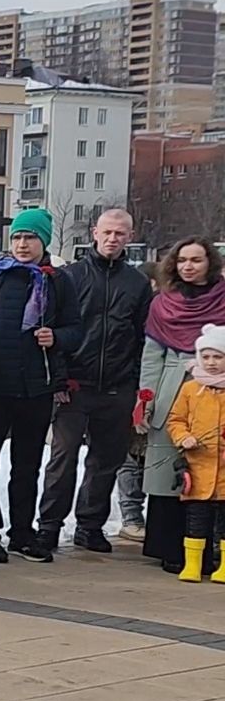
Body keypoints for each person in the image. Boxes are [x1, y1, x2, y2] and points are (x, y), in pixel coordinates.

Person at [0, 208, 83, 563]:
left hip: (36, 388)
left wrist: (57, 337)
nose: (22, 244)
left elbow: (76, 330)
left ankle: (21, 532)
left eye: (30, 237)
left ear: (43, 242)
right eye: (17, 237)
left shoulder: (58, 281)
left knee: (27, 466)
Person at [38, 209, 151, 553]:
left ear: (130, 237)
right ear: (94, 232)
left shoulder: (137, 284)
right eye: (108, 232)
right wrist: (59, 380)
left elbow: (142, 337)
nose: (113, 239)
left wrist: (135, 383)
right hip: (75, 385)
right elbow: (54, 331)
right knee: (63, 460)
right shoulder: (70, 276)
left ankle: (90, 526)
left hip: (117, 386)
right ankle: (49, 526)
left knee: (105, 461)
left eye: (120, 233)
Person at [140, 239, 225, 575]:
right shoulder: (163, 303)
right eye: (182, 260)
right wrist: (146, 398)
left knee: (214, 469)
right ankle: (170, 548)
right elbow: (152, 355)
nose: (188, 266)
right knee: (168, 470)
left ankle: (213, 551)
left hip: (219, 386)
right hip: (172, 384)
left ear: (210, 263)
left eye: (196, 260)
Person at [167, 325, 225, 583]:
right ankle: (193, 563)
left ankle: (223, 566)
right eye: (206, 356)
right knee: (196, 518)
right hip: (198, 467)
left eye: (218, 357)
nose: (211, 363)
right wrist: (184, 437)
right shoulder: (191, 388)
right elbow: (176, 419)